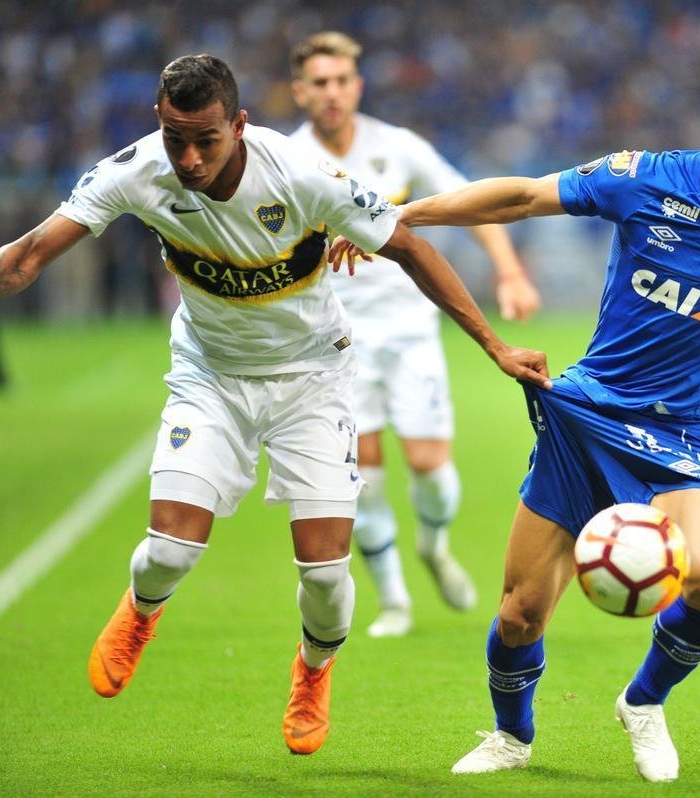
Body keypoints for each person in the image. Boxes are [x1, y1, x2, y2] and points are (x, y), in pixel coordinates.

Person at [333, 62, 700, 782]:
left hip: (681, 437)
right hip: (588, 414)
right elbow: (523, 195)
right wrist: (402, 216)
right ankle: (512, 737)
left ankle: (643, 702)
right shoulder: (643, 177)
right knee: (518, 617)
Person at [0, 54, 548, 755]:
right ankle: (140, 612)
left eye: (206, 140)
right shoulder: (134, 171)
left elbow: (409, 248)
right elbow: (26, 257)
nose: (188, 158)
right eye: (174, 138)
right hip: (210, 378)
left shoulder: (301, 175)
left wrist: (495, 346)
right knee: (166, 552)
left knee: (324, 576)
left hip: (313, 380)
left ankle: (313, 672)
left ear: (240, 125)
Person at [287, 32, 542, 638]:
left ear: (358, 84)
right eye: (319, 82)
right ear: (299, 91)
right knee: (364, 473)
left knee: (428, 465)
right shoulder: (286, 160)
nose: (332, 92)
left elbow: (469, 202)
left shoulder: (398, 148)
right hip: (336, 340)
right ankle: (395, 598)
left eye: (342, 80)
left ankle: (432, 546)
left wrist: (508, 269)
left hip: (410, 331)